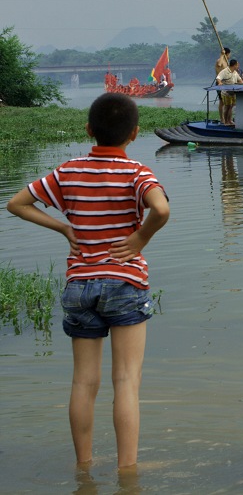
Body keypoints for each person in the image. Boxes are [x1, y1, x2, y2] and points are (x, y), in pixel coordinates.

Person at [6, 92, 170, 471]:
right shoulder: (137, 173)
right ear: (134, 133)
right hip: (125, 283)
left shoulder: (68, 171)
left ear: (88, 130)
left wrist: (64, 227)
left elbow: (16, 203)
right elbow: (160, 209)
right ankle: (127, 472)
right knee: (126, 381)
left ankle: (84, 467)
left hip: (80, 284)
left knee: (83, 383)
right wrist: (140, 239)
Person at [215, 58, 243, 126]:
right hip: (226, 92)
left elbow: (240, 81)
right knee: (227, 106)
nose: (238, 66)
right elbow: (218, 78)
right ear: (234, 65)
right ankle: (226, 121)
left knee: (231, 106)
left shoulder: (235, 72)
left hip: (233, 92)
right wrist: (219, 83)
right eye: (237, 65)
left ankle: (229, 120)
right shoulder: (225, 71)